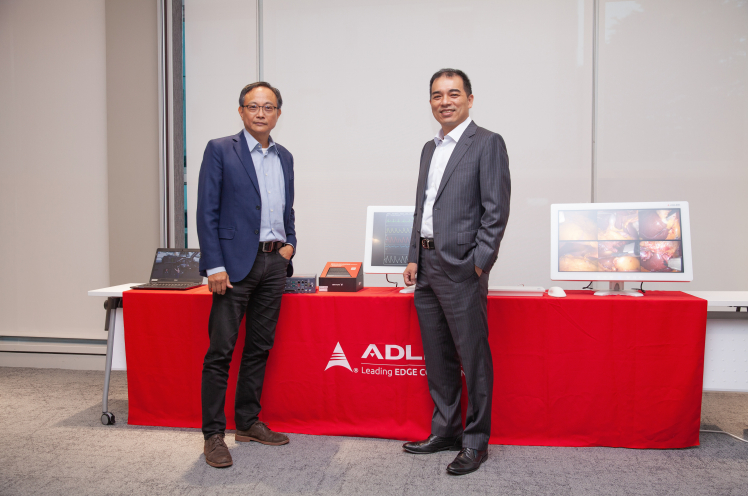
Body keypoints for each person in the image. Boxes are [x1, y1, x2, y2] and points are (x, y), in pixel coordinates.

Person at [402, 69, 511, 475]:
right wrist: (413, 256)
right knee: (438, 355)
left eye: (453, 94)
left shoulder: (487, 143)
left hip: (463, 268)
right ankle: (445, 430)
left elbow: (496, 212)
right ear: (430, 102)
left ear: (469, 99)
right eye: (437, 95)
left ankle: (475, 441)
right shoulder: (429, 149)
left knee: (473, 357)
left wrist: (478, 264)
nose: (444, 101)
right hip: (427, 267)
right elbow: (423, 207)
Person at [196, 82, 297, 468]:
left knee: (259, 348)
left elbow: (287, 208)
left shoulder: (285, 157)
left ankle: (248, 422)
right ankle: (213, 435)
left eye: (268, 107)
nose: (260, 113)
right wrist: (214, 265)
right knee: (220, 352)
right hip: (233, 268)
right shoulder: (221, 149)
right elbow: (206, 210)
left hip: (273, 264)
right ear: (241, 111)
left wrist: (290, 244)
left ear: (278, 114)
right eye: (253, 106)